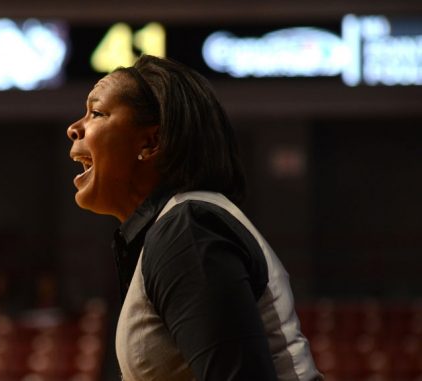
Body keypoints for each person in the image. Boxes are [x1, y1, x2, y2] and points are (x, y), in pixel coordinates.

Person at [66, 55, 322, 380]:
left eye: (97, 113)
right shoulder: (179, 224)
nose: (74, 128)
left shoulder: (188, 231)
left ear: (150, 141)